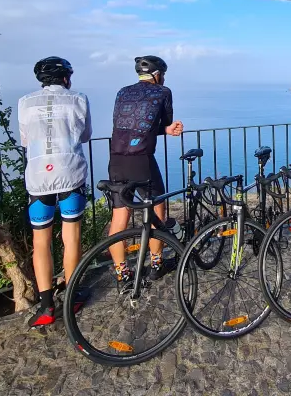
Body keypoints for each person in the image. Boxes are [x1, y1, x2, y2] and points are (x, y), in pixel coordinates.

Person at [19, 57, 92, 327]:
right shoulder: (79, 99)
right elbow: (85, 135)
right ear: (65, 78)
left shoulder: (25, 102)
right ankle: (72, 298)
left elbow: (25, 139)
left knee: (41, 241)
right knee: (70, 237)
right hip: (70, 174)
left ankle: (47, 306)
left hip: (38, 178)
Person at [107, 55, 184, 281]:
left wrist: (164, 130)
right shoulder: (163, 92)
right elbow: (164, 121)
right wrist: (168, 129)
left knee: (119, 218)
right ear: (158, 75)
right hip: (141, 160)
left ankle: (123, 273)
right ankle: (156, 264)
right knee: (157, 211)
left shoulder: (122, 92)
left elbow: (126, 125)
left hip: (116, 159)